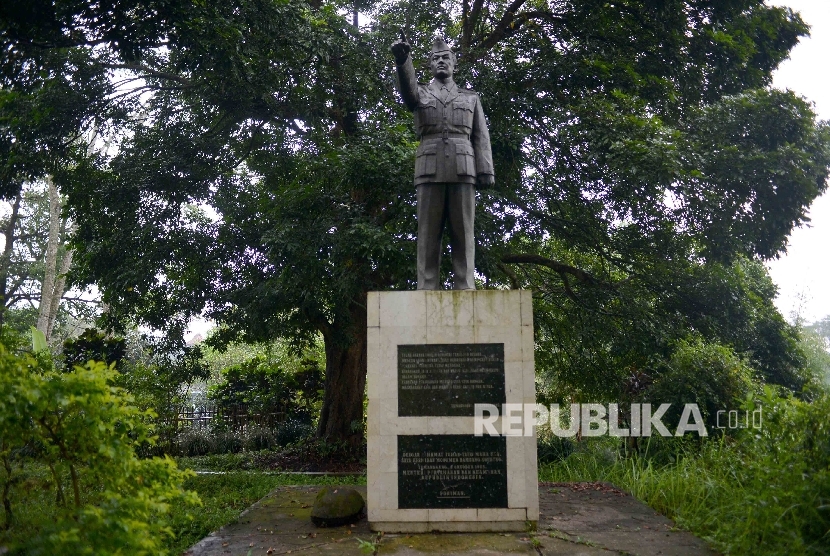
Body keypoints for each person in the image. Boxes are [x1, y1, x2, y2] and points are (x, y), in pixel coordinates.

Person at [391, 35, 495, 290]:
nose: (440, 61)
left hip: (463, 169)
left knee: (463, 232)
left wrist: (486, 170)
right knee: (428, 233)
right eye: (435, 59)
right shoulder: (421, 93)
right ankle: (427, 286)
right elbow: (408, 91)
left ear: (454, 63)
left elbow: (481, 135)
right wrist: (403, 61)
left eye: (445, 57)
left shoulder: (470, 98)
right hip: (429, 168)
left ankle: (465, 284)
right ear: (429, 65)